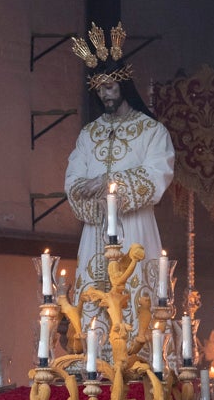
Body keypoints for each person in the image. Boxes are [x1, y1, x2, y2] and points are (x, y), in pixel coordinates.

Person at [66, 22, 174, 333]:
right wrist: (90, 196)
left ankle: (141, 359)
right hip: (95, 231)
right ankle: (93, 363)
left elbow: (157, 174)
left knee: (137, 295)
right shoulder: (89, 134)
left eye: (110, 87)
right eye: (99, 89)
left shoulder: (152, 131)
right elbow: (73, 179)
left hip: (135, 228)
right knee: (93, 300)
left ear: (124, 86)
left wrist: (108, 184)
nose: (104, 94)